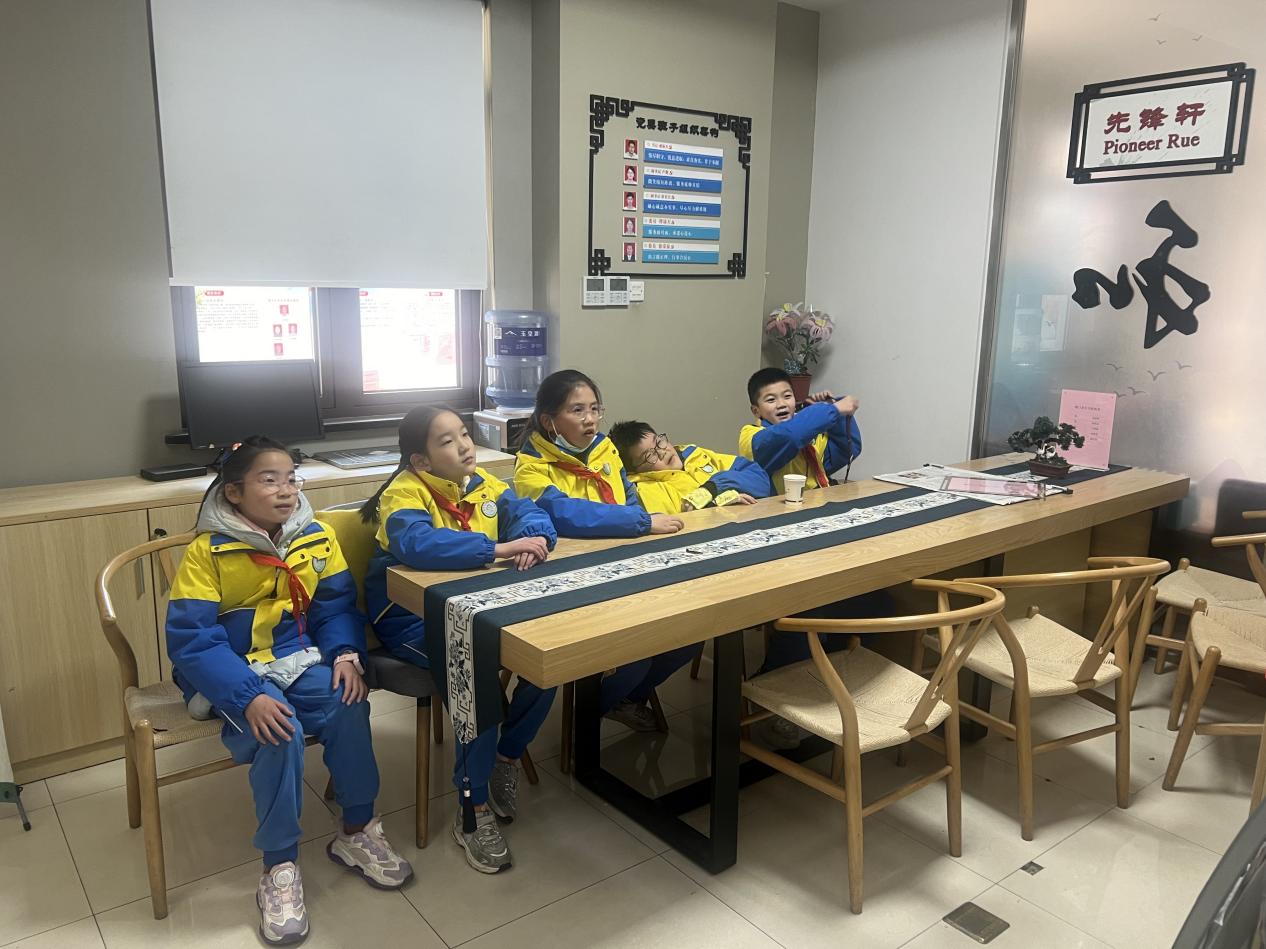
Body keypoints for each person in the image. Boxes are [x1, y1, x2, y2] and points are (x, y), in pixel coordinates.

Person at [167, 437, 411, 946]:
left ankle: (357, 831)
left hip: (297, 658)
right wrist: (246, 695)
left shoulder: (315, 536)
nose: (286, 490)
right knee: (280, 730)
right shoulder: (207, 552)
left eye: (291, 479)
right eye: (269, 480)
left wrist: (345, 655)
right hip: (233, 671)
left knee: (349, 700)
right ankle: (279, 867)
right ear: (234, 492)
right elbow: (193, 639)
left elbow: (336, 607)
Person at [361, 407, 556, 875]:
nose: (465, 445)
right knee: (476, 676)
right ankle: (473, 809)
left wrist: (532, 540)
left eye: (464, 434)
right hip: (413, 617)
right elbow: (417, 545)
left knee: (548, 657)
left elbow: (531, 514)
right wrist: (499, 548)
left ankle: (506, 756)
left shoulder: (483, 483)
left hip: (481, 605)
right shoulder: (404, 492)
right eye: (447, 441)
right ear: (421, 460)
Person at [514, 370, 697, 731]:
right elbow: (566, 515)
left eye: (595, 409)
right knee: (635, 657)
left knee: (688, 634)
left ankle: (620, 700)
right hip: (571, 580)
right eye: (578, 410)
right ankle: (587, 720)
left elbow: (628, 497)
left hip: (623, 566)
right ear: (550, 421)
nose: (591, 419)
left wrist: (641, 522)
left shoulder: (604, 449)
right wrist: (640, 523)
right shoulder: (530, 468)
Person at [739, 367, 862, 494]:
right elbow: (789, 436)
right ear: (756, 411)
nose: (781, 404)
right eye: (771, 400)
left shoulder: (809, 432)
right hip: (779, 504)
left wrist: (831, 408)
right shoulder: (752, 435)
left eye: (787, 396)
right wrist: (832, 410)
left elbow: (848, 450)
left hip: (817, 500)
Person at [609, 420, 772, 514]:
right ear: (635, 471)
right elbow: (682, 526)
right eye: (650, 456)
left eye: (659, 442)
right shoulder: (645, 491)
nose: (662, 452)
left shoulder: (694, 455)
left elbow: (761, 481)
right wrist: (719, 504)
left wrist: (713, 488)